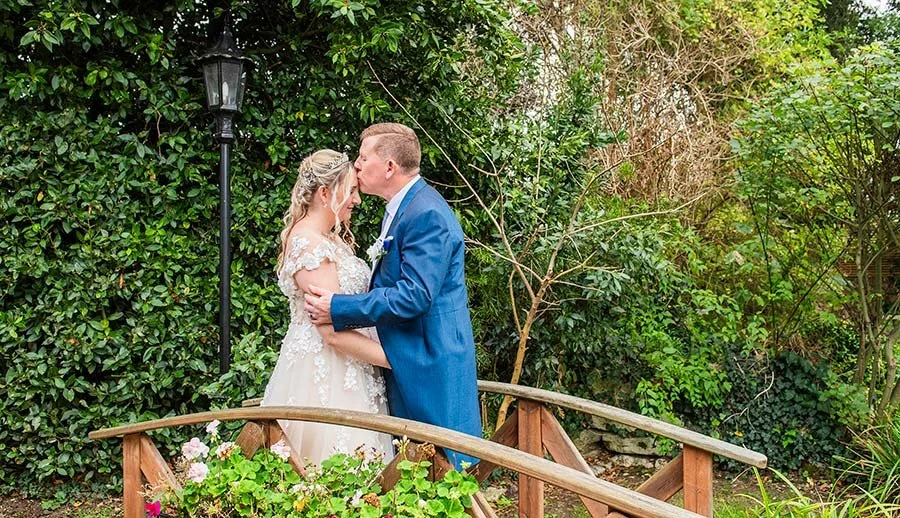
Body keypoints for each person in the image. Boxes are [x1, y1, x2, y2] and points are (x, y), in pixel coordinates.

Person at [305, 123, 482, 470]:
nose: (356, 166)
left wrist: (338, 307)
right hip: (406, 358)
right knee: (417, 475)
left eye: (363, 157)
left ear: (389, 167)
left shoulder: (426, 213)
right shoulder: (404, 208)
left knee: (448, 474)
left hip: (430, 361)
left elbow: (414, 296)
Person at [261, 148, 394, 466]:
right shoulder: (308, 245)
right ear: (324, 193)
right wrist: (397, 360)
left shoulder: (330, 241)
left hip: (354, 368)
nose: (356, 200)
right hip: (327, 377)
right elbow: (331, 334)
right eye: (350, 191)